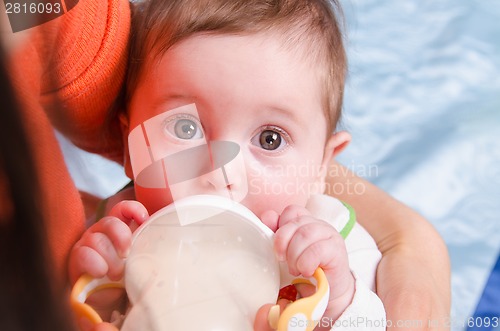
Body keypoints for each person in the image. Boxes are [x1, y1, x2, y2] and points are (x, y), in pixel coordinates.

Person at [2, 0, 449, 329]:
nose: (221, 172)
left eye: (270, 139)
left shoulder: (327, 241)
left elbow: (382, 321)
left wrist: (339, 300)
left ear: (321, 166)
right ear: (128, 142)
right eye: (183, 129)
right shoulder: (125, 229)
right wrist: (96, 287)